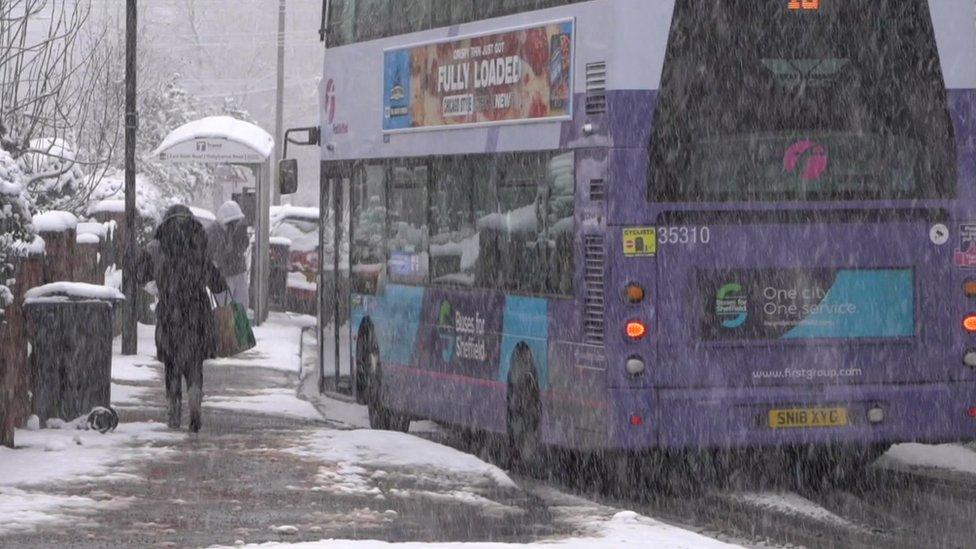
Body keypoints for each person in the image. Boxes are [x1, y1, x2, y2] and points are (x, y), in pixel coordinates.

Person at [138, 205, 226, 432]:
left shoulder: (158, 248)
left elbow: (139, 273)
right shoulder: (199, 247)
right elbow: (217, 284)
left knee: (172, 362)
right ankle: (195, 396)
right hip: (197, 313)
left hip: (170, 313)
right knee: (194, 361)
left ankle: (174, 405)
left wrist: (157, 283)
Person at [213, 200, 251, 309]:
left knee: (236, 306)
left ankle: (236, 323)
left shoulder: (239, 230)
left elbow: (244, 244)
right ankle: (232, 323)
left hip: (233, 271)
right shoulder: (215, 233)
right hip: (225, 273)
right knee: (226, 307)